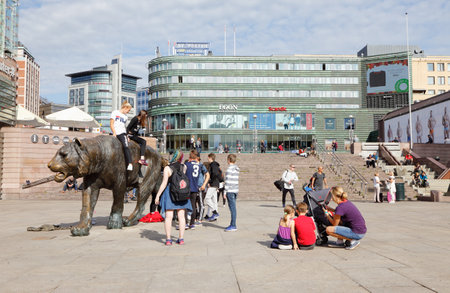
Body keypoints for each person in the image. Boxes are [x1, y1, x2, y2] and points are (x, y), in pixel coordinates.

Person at [155, 150, 192, 246]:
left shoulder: (167, 168)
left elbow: (164, 183)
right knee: (181, 216)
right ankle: (181, 238)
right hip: (181, 192)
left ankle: (168, 239)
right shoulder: (184, 167)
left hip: (170, 193)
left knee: (168, 217)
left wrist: (158, 195)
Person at [184, 150, 208, 230]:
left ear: (190, 157)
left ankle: (186, 223)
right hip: (195, 187)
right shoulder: (199, 165)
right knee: (193, 205)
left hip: (188, 187)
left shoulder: (187, 164)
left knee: (186, 205)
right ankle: (192, 223)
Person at [110, 102, 133, 171]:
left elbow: (124, 127)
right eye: (128, 110)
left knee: (125, 146)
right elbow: (111, 123)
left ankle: (130, 163)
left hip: (122, 133)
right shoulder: (115, 113)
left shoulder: (126, 117)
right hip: (114, 132)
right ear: (125, 108)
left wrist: (127, 136)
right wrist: (114, 132)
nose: (128, 112)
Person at [224, 154, 239, 232]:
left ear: (229, 160)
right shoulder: (236, 169)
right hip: (235, 190)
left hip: (230, 191)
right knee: (233, 208)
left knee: (232, 208)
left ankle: (233, 225)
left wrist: (225, 191)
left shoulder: (229, 170)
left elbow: (227, 182)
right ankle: (232, 224)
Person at [204, 153, 222, 221]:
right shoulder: (216, 165)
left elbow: (215, 173)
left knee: (207, 198)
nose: (207, 159)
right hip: (216, 184)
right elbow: (218, 174)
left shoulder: (213, 165)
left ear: (210, 157)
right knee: (214, 200)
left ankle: (215, 212)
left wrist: (210, 181)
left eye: (208, 158)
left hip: (213, 184)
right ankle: (215, 216)